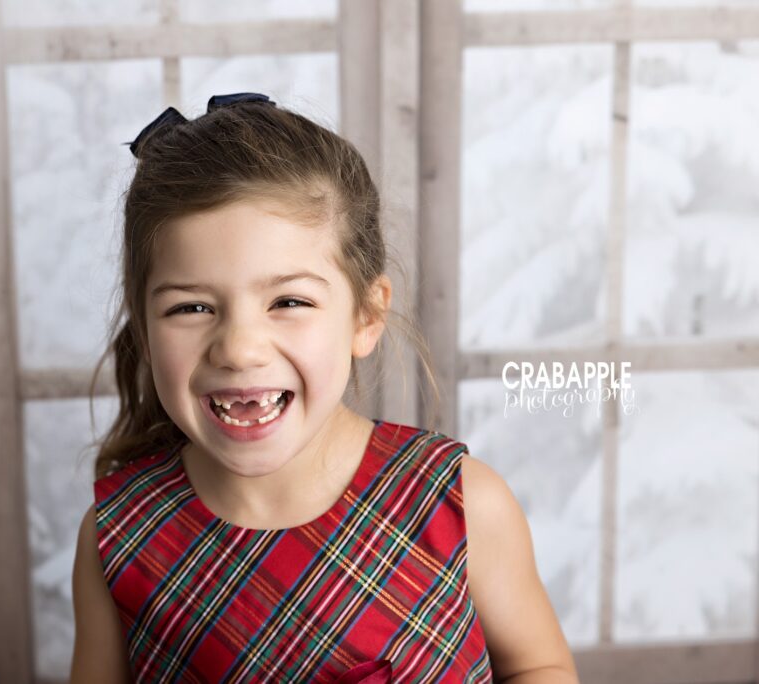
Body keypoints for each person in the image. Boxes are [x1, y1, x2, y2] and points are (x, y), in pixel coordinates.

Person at [70, 93, 578, 683]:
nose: (239, 348)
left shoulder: (461, 504)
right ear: (143, 326)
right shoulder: (117, 538)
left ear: (366, 314)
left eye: (288, 301)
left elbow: (538, 665)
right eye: (191, 307)